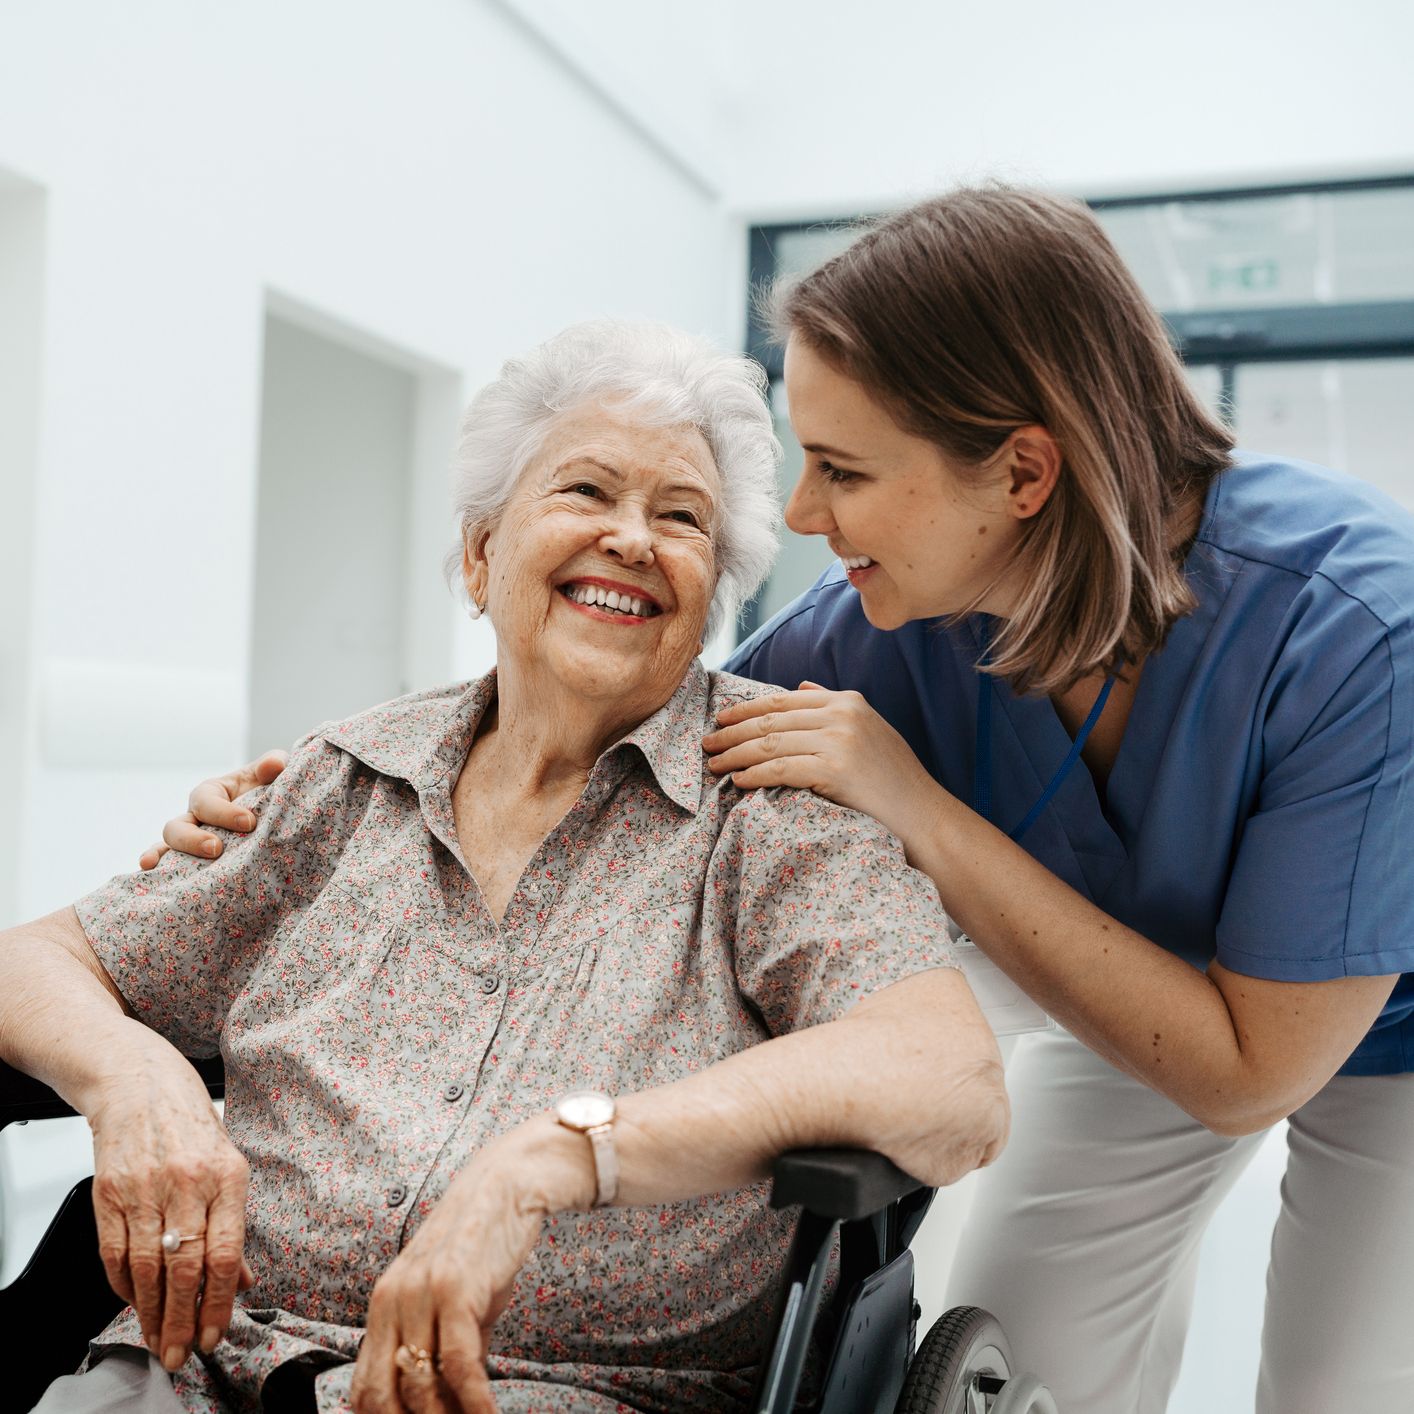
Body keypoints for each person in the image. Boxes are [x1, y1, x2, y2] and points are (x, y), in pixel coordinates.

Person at [161, 188, 1414, 1414]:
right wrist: (325, 791)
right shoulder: (873, 628)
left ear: (1024, 472)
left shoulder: (1356, 629)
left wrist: (916, 804)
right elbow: (609, 707)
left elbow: (1247, 1070)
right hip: (1131, 994)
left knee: (1339, 1384)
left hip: (1361, 1031)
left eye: (843, 470)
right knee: (1042, 1343)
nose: (806, 515)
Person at [1, 320, 1009, 1414]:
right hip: (202, 1365)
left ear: (710, 594)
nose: (633, 539)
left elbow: (950, 1076)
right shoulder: (346, 780)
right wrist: (131, 1074)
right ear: (481, 553)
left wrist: (558, 1156)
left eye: (681, 518)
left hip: (555, 1390)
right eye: (585, 491)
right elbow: (38, 959)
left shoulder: (768, 807)